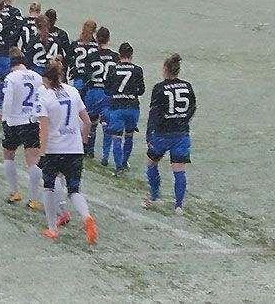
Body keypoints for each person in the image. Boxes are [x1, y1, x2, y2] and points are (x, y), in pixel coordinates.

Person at [34, 57, 97, 243]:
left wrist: (42, 152)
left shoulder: (45, 97)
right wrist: (83, 143)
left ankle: (52, 227)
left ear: (46, 79)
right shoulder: (73, 92)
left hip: (55, 148)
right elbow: (87, 122)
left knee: (48, 187)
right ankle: (87, 217)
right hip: (74, 148)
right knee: (74, 190)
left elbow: (43, 128)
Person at [144, 54, 196, 215]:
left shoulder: (159, 88)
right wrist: (183, 120)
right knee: (179, 169)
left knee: (151, 163)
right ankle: (178, 205)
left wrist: (149, 134)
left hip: (162, 134)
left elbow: (154, 112)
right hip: (181, 133)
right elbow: (192, 107)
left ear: (165, 70)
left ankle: (154, 197)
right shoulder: (187, 86)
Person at [1, 47, 43, 209]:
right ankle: (33, 199)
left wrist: (5, 120)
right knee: (33, 160)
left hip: (14, 121)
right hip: (32, 122)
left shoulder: (11, 78)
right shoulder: (37, 77)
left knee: (8, 155)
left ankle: (14, 192)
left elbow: (8, 101)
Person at [105, 42, 145, 176]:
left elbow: (107, 89)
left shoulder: (112, 69)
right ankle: (124, 161)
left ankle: (118, 168)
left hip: (117, 107)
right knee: (129, 135)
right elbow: (142, 91)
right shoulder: (137, 70)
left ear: (119, 55)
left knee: (116, 137)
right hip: (132, 107)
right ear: (131, 55)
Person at [82, 27, 119, 161]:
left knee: (91, 123)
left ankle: (89, 152)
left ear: (96, 39)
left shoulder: (91, 57)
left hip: (93, 91)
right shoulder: (115, 57)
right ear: (109, 39)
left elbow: (86, 77)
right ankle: (105, 157)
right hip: (108, 93)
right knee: (107, 124)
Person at [69, 20, 98, 91]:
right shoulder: (96, 46)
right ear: (95, 31)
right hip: (91, 80)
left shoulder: (75, 44)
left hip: (78, 77)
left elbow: (68, 60)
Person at [44, 9, 72, 81]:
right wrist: (64, 67)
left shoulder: (41, 34)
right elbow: (69, 54)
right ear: (55, 20)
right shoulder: (61, 34)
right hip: (57, 68)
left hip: (44, 67)